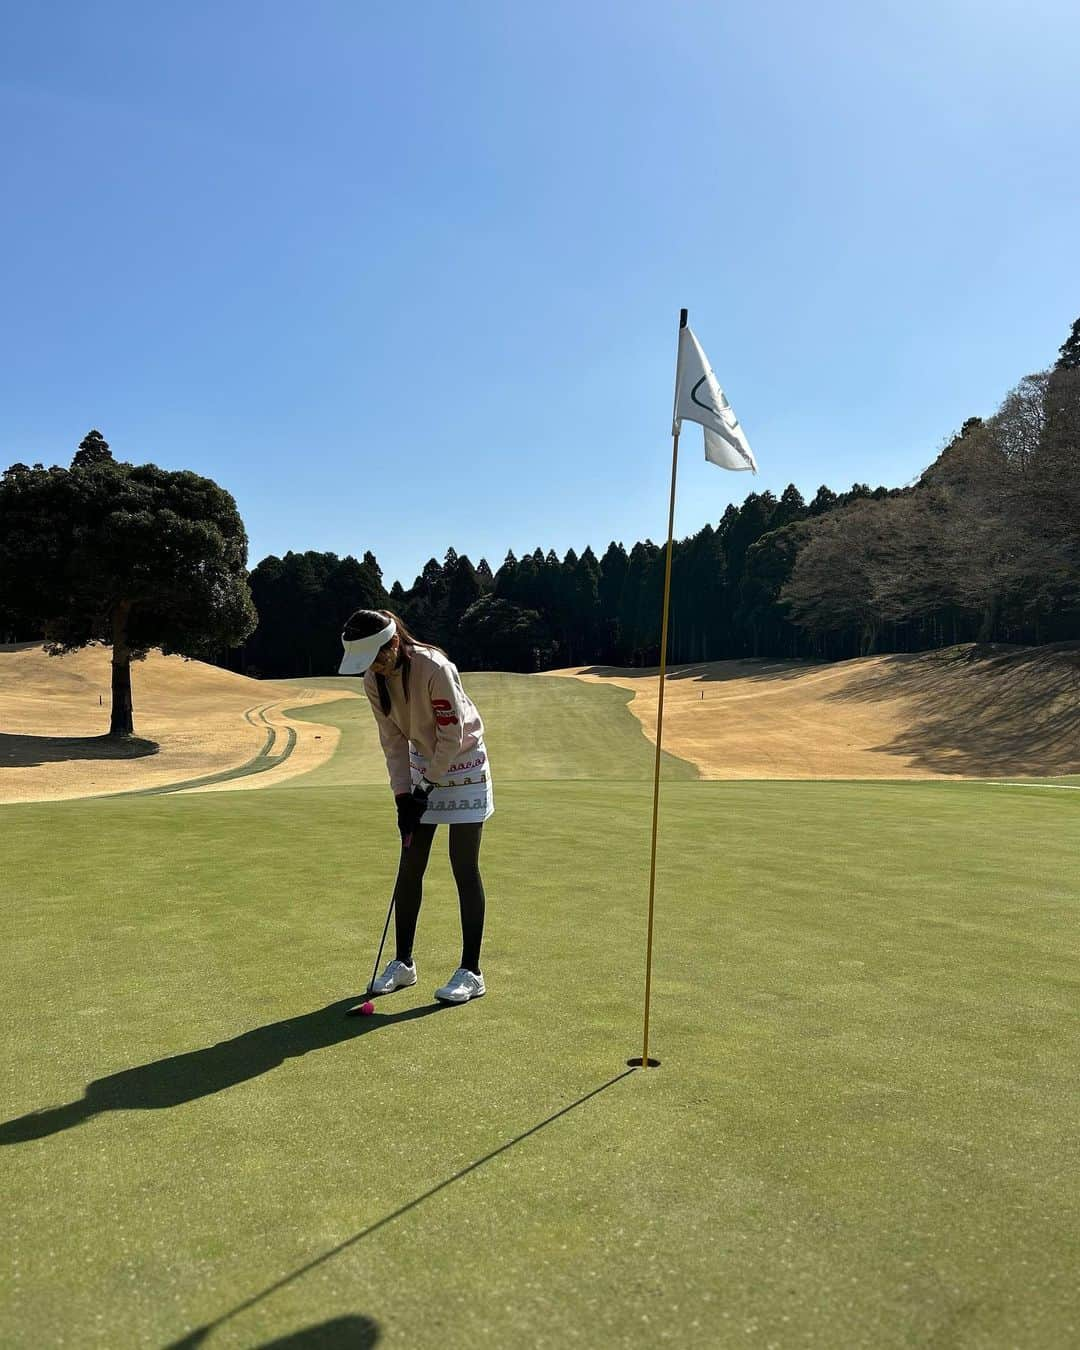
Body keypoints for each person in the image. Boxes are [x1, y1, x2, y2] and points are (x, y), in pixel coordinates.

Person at [339, 609, 493, 1005]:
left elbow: (451, 733)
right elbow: (392, 742)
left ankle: (471, 972)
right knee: (411, 864)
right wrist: (403, 797)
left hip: (465, 761)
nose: (373, 666)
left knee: (463, 864)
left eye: (377, 656)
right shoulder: (373, 680)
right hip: (423, 762)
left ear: (393, 643)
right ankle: (403, 963)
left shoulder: (434, 667)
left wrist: (425, 789)